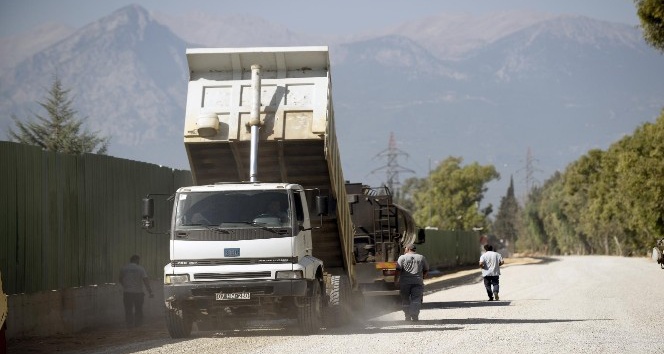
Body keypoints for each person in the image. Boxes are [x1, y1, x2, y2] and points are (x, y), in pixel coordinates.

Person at [396, 244, 429, 321]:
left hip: (405, 283)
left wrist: (396, 280)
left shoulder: (402, 257)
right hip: (417, 282)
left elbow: (398, 271)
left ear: (407, 249)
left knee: (405, 300)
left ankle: (407, 316)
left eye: (405, 248)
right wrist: (422, 277)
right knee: (416, 299)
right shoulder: (421, 257)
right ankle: (415, 315)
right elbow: (426, 269)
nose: (404, 249)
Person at [119, 255, 154, 328]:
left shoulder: (124, 268)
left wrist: (125, 286)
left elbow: (120, 279)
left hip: (127, 292)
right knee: (138, 309)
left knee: (128, 309)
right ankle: (138, 324)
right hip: (138, 292)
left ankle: (129, 324)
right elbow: (145, 280)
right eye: (138, 260)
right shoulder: (140, 268)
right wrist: (150, 291)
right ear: (137, 260)